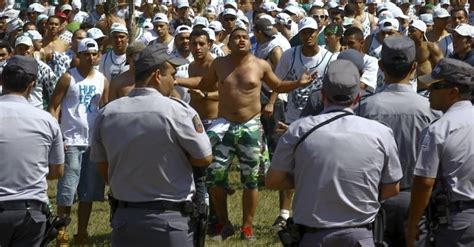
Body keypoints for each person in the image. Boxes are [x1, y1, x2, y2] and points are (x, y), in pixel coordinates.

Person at [176, 27, 315, 241]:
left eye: (244, 37)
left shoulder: (260, 64)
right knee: (214, 177)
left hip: (251, 125)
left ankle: (247, 226)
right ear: (229, 43)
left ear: (250, 43)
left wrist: (298, 83)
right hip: (223, 124)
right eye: (236, 38)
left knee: (251, 179)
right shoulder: (219, 65)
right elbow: (203, 83)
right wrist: (176, 80)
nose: (241, 41)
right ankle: (224, 222)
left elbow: (278, 85)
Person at [266, 59, 402, 246]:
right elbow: (391, 189)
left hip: (313, 235)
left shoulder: (298, 130)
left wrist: (310, 177)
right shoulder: (380, 132)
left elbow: (273, 180)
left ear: (322, 95)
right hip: (362, 234)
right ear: (357, 97)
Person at [90, 44, 213, 246]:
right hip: (170, 220)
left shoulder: (108, 113)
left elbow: (102, 165)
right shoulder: (178, 111)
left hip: (126, 218)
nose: (174, 81)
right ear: (157, 75)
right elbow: (204, 157)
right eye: (171, 75)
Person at [357, 35, 439, 247]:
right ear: (413, 67)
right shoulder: (430, 109)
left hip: (373, 199)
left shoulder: (364, 108)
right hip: (417, 198)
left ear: (381, 66)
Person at [406, 58, 474, 247]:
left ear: (453, 92)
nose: (429, 92)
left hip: (457, 222)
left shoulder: (439, 129)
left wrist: (412, 226)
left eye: (435, 87)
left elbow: (424, 183)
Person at [48, 38, 108, 245]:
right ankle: (61, 233)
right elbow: (53, 107)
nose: (91, 57)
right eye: (86, 54)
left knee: (88, 192)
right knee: (67, 190)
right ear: (78, 56)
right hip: (71, 140)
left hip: (93, 142)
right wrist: (58, 136)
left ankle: (82, 233)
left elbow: (104, 109)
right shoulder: (68, 78)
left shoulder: (102, 79)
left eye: (94, 54)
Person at [0, 55, 64, 247]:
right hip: (31, 212)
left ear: (2, 81)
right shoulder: (47, 121)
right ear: (32, 85)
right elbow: (57, 172)